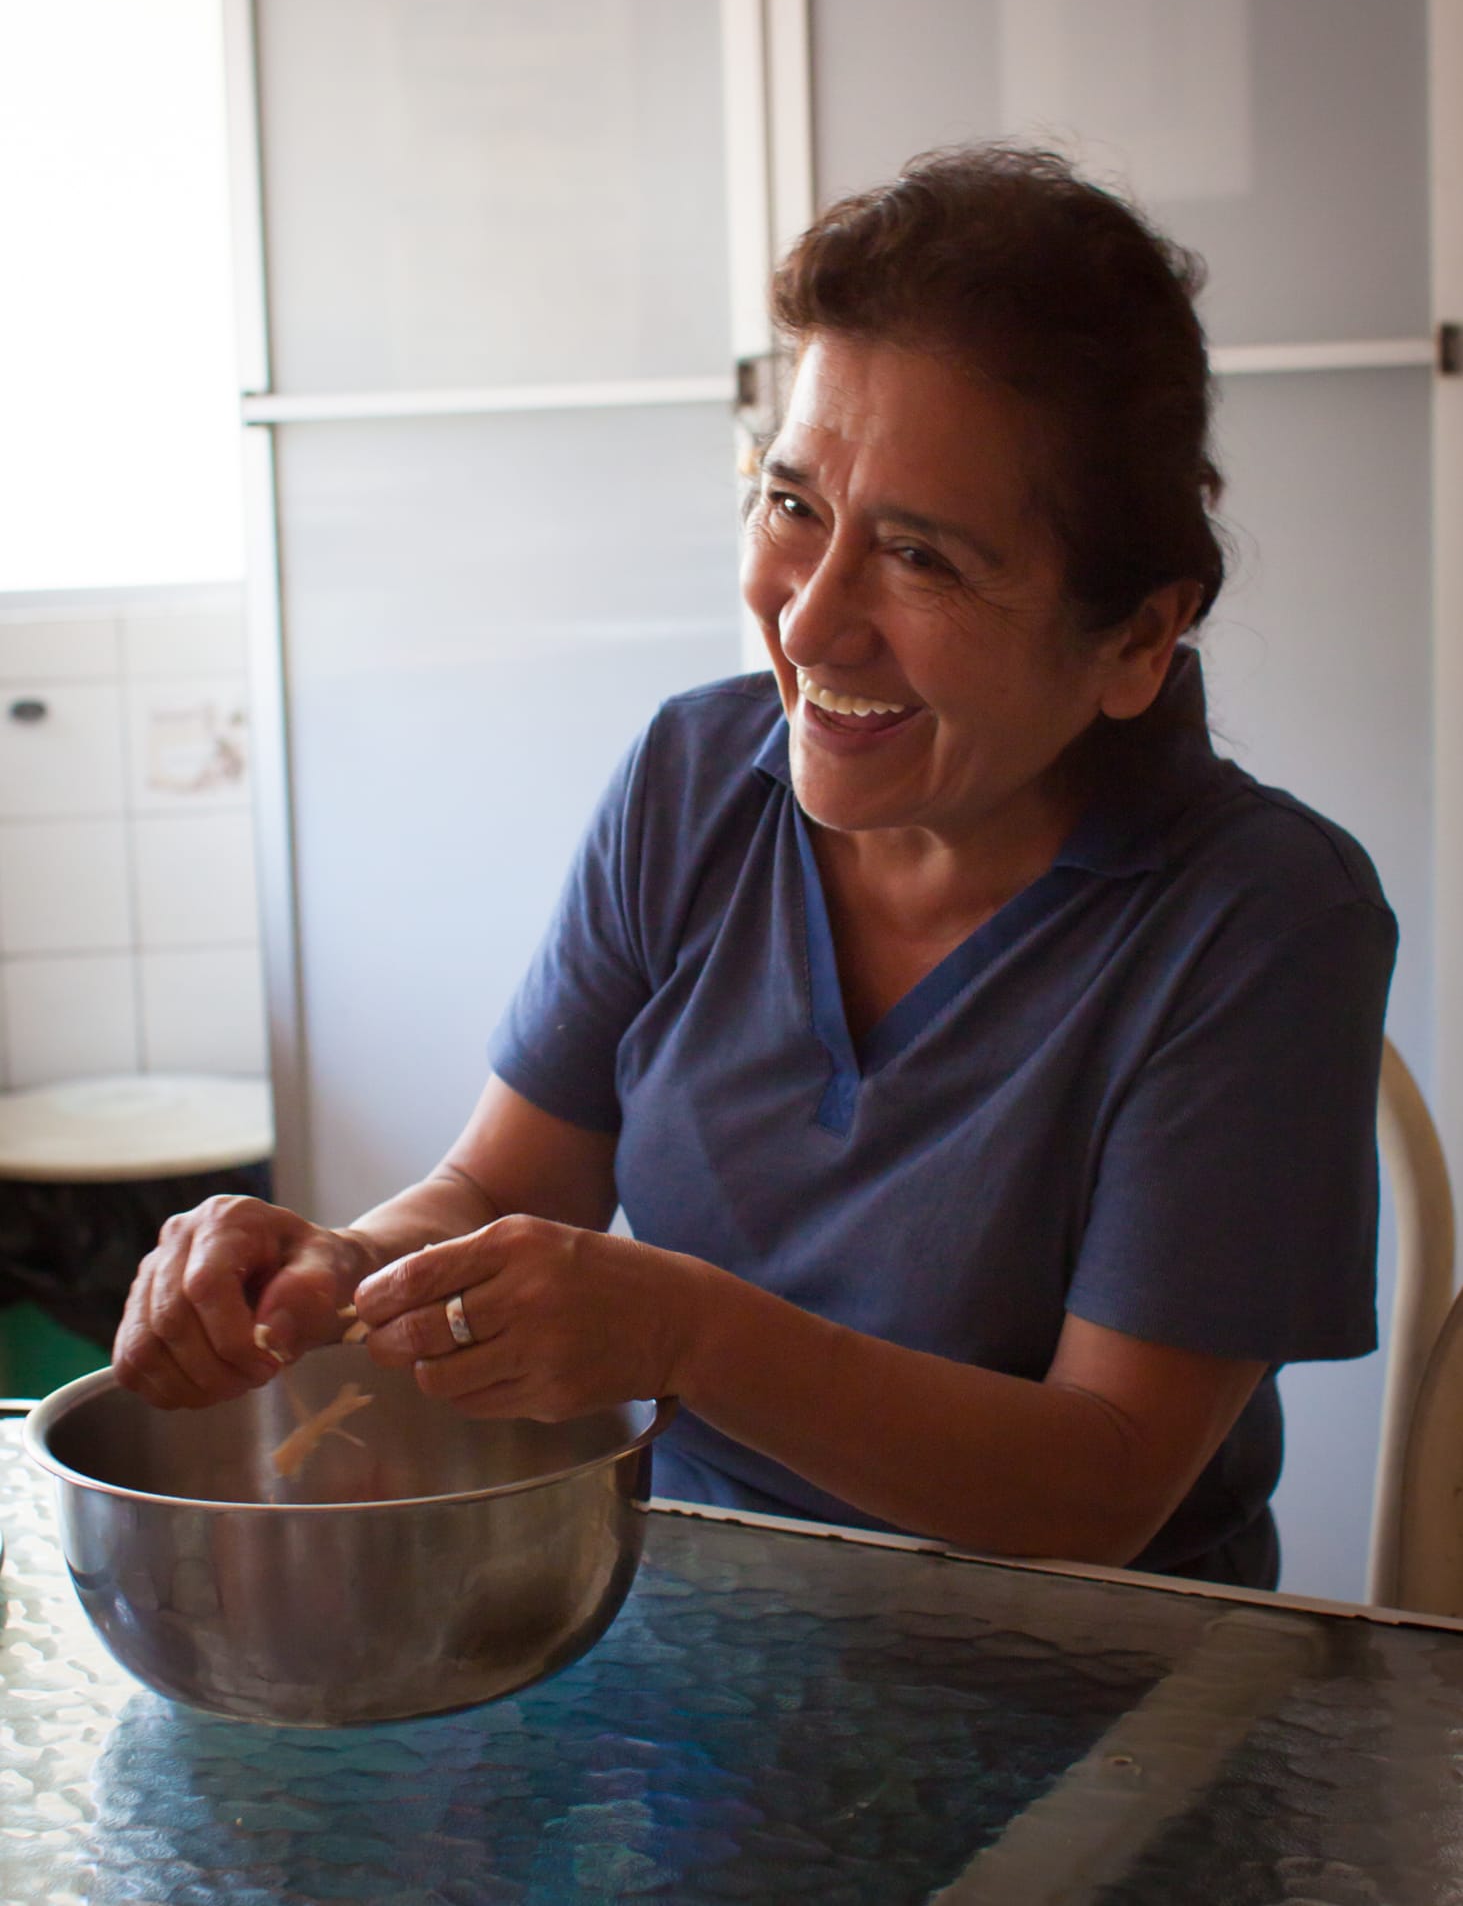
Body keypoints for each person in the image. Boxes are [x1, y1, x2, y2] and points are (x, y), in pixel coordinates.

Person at [113, 146, 1395, 1589]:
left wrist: (690, 1334)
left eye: (923, 559)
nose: (810, 621)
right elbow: (493, 1183)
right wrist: (339, 1268)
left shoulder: (1261, 921)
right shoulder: (695, 778)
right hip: (697, 1602)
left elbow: (1101, 1487)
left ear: (1138, 639)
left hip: (1091, 1671)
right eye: (793, 507)